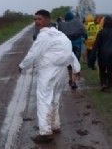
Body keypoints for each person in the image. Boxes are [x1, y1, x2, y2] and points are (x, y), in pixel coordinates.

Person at [19, 9, 82, 143]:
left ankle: (45, 131)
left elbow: (34, 54)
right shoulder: (60, 35)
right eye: (35, 19)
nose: (37, 22)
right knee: (54, 98)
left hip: (48, 71)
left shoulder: (44, 36)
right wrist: (76, 68)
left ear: (48, 20)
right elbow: (69, 53)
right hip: (61, 72)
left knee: (43, 99)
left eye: (39, 19)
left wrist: (22, 65)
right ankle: (55, 124)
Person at [57, 11, 87, 89]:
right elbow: (84, 33)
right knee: (75, 62)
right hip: (77, 44)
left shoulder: (62, 25)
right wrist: (85, 37)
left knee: (69, 63)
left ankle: (70, 79)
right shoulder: (78, 23)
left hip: (67, 46)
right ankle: (73, 81)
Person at [89, 15, 112, 92]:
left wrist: (92, 57)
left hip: (102, 54)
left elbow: (96, 45)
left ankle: (103, 84)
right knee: (110, 70)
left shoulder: (101, 32)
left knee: (102, 70)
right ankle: (109, 86)